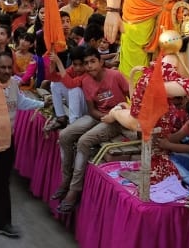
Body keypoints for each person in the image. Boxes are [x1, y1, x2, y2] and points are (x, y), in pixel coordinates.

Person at [0, 50, 49, 238]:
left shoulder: (14, 84)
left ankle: (3, 222)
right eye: (3, 67)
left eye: (9, 67)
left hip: (7, 142)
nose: (6, 71)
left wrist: (41, 105)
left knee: (2, 183)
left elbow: (20, 102)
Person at [53, 47, 131, 213]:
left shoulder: (115, 75)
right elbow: (92, 109)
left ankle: (74, 190)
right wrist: (102, 117)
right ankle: (65, 180)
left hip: (117, 119)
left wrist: (118, 115)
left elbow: (133, 99)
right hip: (99, 117)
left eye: (92, 61)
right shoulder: (86, 80)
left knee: (84, 141)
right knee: (65, 135)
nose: (89, 66)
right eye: (86, 63)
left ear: (101, 62)